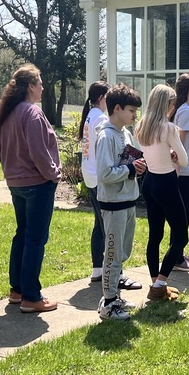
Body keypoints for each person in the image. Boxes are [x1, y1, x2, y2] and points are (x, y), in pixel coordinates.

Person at [0, 64, 61, 314]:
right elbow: (38, 151)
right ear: (31, 86)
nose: (43, 88)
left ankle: (18, 290)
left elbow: (0, 150)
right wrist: (53, 174)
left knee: (22, 234)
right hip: (37, 183)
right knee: (35, 238)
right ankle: (31, 297)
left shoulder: (7, 112)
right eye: (40, 83)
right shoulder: (32, 113)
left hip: (16, 183)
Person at [96, 83, 146, 321]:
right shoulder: (106, 136)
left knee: (123, 252)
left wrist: (138, 167)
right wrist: (129, 170)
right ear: (117, 108)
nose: (135, 116)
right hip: (113, 204)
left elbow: (129, 163)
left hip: (128, 200)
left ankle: (115, 296)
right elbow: (105, 173)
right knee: (113, 254)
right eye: (131, 111)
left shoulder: (125, 133)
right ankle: (108, 304)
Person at [134, 84, 188, 301]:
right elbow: (184, 160)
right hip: (166, 182)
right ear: (166, 104)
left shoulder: (141, 126)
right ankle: (160, 284)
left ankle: (155, 282)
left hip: (149, 182)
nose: (173, 107)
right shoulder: (168, 128)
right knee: (181, 237)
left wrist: (169, 152)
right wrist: (174, 154)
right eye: (172, 104)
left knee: (155, 236)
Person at [79, 81, 109, 284]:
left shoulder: (91, 115)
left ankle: (98, 268)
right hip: (99, 176)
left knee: (99, 224)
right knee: (107, 225)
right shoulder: (101, 117)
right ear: (101, 98)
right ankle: (112, 270)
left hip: (90, 175)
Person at [171, 74, 189, 272]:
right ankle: (176, 258)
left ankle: (178, 253)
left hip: (188, 171)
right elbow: (178, 143)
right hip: (184, 173)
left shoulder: (183, 110)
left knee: (182, 216)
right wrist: (178, 169)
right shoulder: (185, 111)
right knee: (181, 217)